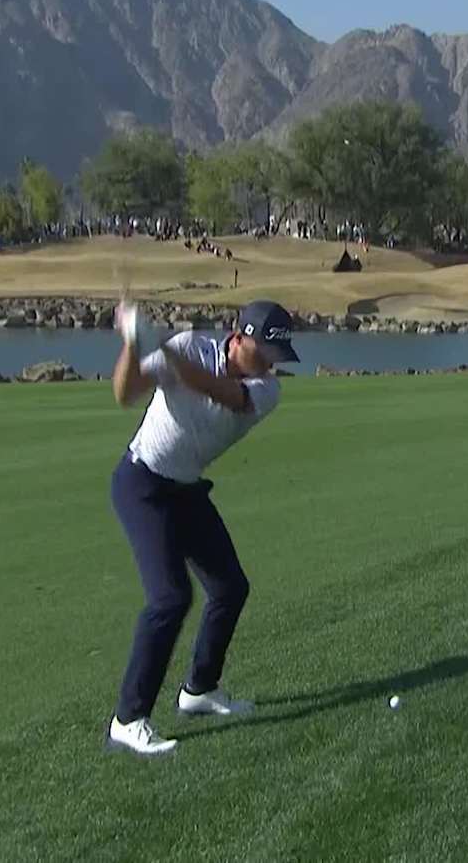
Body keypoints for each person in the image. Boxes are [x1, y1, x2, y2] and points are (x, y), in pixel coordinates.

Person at [102, 299, 300, 757]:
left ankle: (200, 690)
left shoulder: (266, 391)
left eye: (278, 355)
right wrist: (134, 343)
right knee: (170, 598)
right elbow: (125, 393)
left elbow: (223, 394)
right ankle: (128, 719)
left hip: (186, 490)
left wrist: (164, 350)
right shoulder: (191, 346)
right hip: (143, 484)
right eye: (266, 351)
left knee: (230, 588)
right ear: (239, 335)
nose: (272, 364)